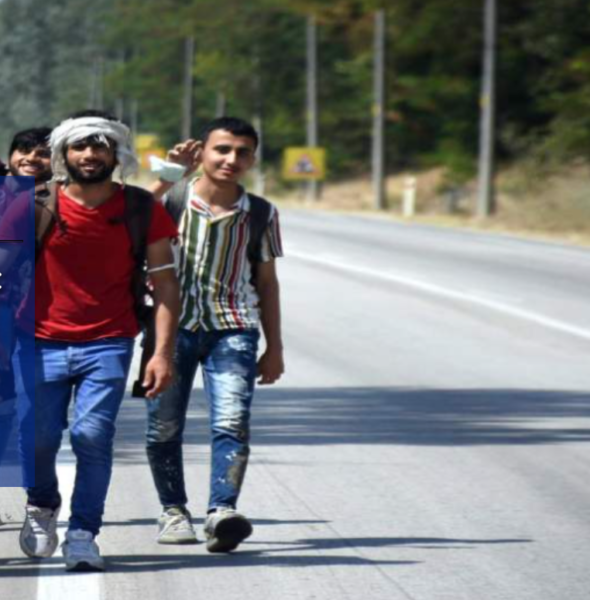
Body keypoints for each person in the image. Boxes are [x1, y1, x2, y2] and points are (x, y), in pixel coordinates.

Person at [5, 110, 180, 572]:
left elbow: (166, 286)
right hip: (37, 340)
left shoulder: (141, 209)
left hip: (109, 340)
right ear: (63, 154)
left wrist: (162, 354)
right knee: (38, 439)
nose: (89, 154)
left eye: (100, 145)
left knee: (92, 435)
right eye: (79, 145)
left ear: (116, 153)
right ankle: (42, 503)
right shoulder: (32, 204)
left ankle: (83, 534)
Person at [145, 116, 284, 553]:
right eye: (222, 149)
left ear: (253, 159)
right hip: (170, 330)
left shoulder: (260, 213)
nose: (231, 159)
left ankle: (222, 512)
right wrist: (169, 176)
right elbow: (126, 219)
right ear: (202, 152)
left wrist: (274, 347)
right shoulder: (172, 201)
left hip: (234, 329)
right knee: (164, 425)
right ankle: (173, 511)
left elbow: (267, 283)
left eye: (243, 152)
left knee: (232, 422)